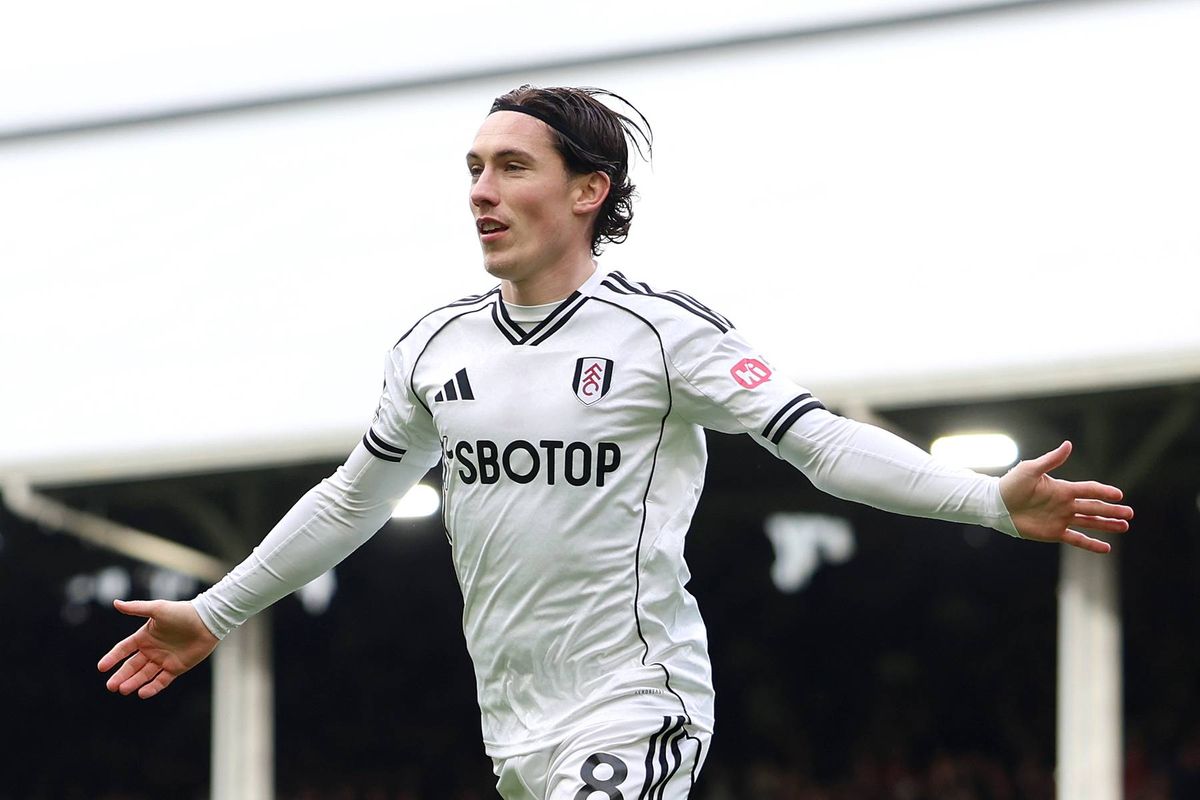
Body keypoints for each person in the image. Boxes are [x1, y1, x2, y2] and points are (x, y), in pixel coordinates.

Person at [98, 85, 1134, 799]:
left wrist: (986, 498)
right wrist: (216, 610)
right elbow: (350, 498)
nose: (480, 191)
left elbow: (815, 442)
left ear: (589, 190)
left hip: (638, 697)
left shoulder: (663, 331)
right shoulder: (432, 344)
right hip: (516, 724)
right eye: (472, 169)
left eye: (511, 167)